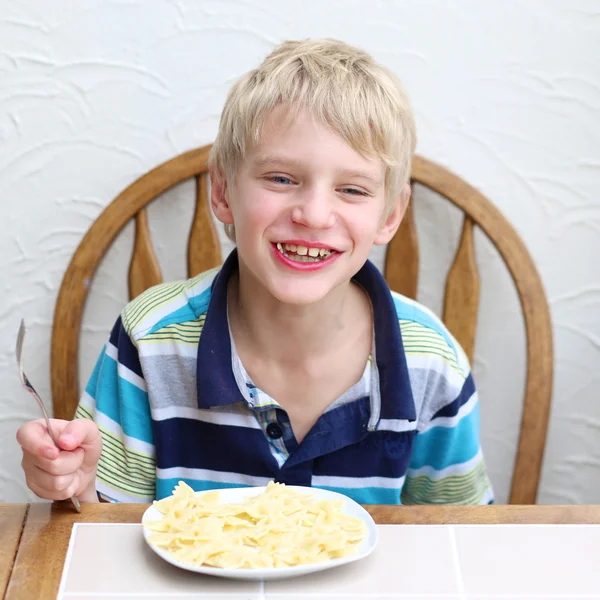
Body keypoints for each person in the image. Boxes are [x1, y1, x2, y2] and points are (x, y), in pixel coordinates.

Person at [17, 39, 493, 505]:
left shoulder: (431, 363)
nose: (314, 214)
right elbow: (107, 543)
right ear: (223, 192)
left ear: (391, 215)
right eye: (281, 179)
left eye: (352, 189)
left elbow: (459, 544)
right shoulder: (151, 341)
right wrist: (77, 488)